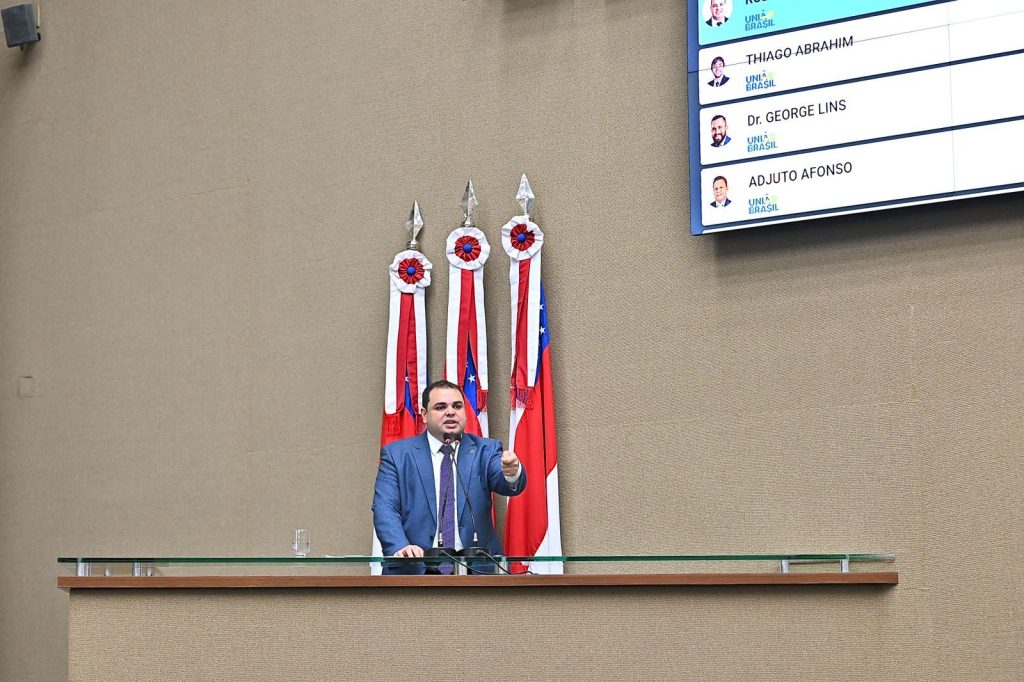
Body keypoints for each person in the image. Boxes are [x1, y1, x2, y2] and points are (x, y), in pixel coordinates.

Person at [372, 380, 526, 574]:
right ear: (424, 415)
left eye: (457, 406)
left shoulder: (485, 450)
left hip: (477, 574)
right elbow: (385, 507)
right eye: (441, 407)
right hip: (414, 570)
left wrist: (512, 473)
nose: (451, 412)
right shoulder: (397, 455)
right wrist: (400, 546)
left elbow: (504, 481)